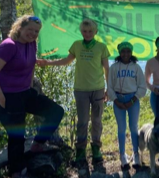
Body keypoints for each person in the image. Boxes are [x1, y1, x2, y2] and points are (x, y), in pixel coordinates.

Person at [0, 15, 64, 178]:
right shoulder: (9, 46)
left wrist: (29, 87)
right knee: (16, 134)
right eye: (30, 30)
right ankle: (17, 174)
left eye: (36, 32)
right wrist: (1, 99)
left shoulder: (31, 44)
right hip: (6, 96)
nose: (33, 34)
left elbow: (29, 66)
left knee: (56, 111)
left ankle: (37, 144)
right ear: (19, 28)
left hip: (24, 93)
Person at [37, 18, 110, 164]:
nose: (87, 34)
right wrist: (48, 63)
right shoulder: (76, 45)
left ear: (95, 32)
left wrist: (109, 88)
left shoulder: (101, 47)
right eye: (84, 31)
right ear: (81, 31)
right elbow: (66, 61)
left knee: (96, 120)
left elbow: (106, 68)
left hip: (98, 89)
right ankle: (80, 151)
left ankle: (96, 148)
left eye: (90, 31)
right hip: (81, 90)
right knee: (82, 122)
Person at [107, 42, 146, 169]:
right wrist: (116, 100)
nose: (125, 54)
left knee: (134, 127)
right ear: (119, 52)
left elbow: (142, 87)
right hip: (118, 99)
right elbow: (110, 87)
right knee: (121, 128)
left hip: (132, 100)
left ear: (131, 53)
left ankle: (135, 154)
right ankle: (122, 155)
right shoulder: (113, 67)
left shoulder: (136, 67)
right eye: (123, 51)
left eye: (128, 51)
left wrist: (132, 100)